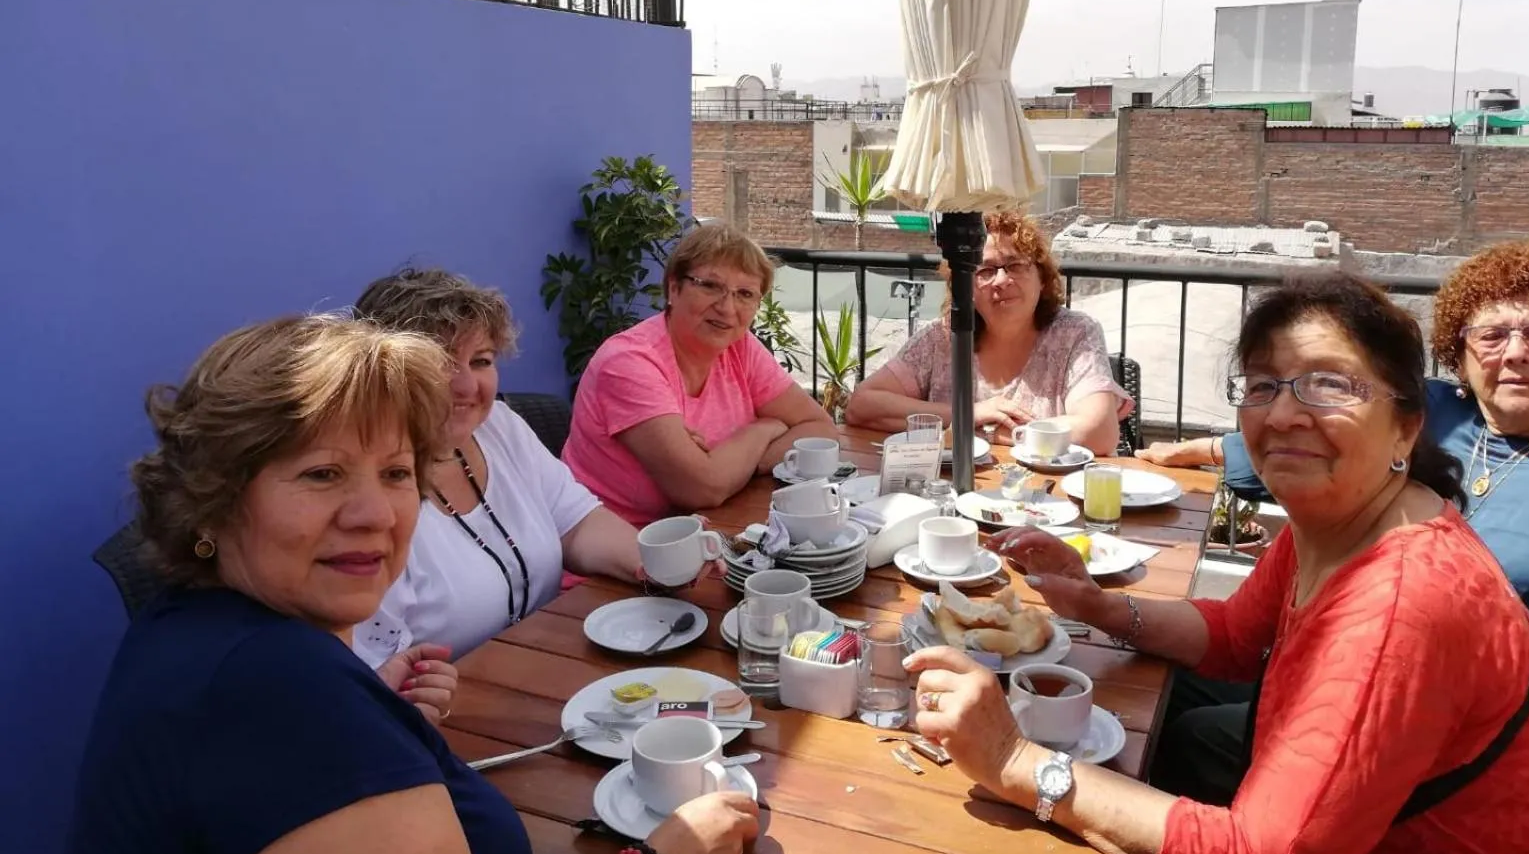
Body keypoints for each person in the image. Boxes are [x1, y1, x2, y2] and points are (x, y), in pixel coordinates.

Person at [906, 272, 1529, 854]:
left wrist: (1014, 760)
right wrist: (1094, 604)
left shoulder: (1403, 603)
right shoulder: (1340, 520)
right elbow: (1236, 635)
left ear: (1406, 426)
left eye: (1328, 384)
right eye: (1263, 384)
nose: (1285, 412)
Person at [65, 314, 757, 854]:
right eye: (321, 475)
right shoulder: (278, 695)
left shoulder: (209, 633)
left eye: (396, 474)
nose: (375, 515)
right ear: (212, 501)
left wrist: (375, 711)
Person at [1141, 240, 1529, 740]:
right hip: (1325, 665)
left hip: (1443, 732)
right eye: (1491, 336)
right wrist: (1195, 450)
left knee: (1197, 734)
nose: (1515, 352)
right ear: (1461, 358)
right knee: (1163, 679)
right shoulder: (1435, 409)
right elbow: (1299, 444)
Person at [350, 268, 652, 667]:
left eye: (480, 361)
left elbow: (577, 524)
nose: (466, 386)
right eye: (439, 363)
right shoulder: (364, 498)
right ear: (382, 373)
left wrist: (653, 564)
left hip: (548, 670)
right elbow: (380, 676)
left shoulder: (499, 426)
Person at [564, 223, 837, 525]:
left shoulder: (740, 347)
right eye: (709, 285)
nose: (727, 307)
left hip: (715, 528)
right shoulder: (629, 362)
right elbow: (701, 488)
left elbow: (818, 428)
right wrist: (764, 429)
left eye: (745, 294)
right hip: (622, 553)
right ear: (673, 288)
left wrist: (728, 464)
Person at [846, 210, 1129, 453]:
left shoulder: (1074, 333)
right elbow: (862, 405)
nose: (1001, 280)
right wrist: (969, 414)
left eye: (1015, 265)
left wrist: (994, 433)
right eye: (985, 271)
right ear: (966, 288)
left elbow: (1099, 431)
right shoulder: (943, 337)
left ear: (1042, 279)